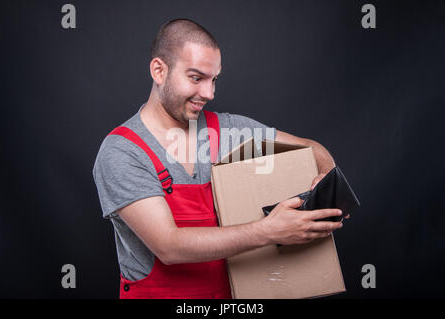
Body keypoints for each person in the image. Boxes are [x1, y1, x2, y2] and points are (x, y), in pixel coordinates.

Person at [92, 18, 347, 299]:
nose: (209, 93)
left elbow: (311, 148)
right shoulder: (123, 152)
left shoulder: (229, 133)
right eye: (196, 78)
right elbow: (169, 246)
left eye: (214, 79)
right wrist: (270, 231)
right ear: (159, 71)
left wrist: (327, 186)